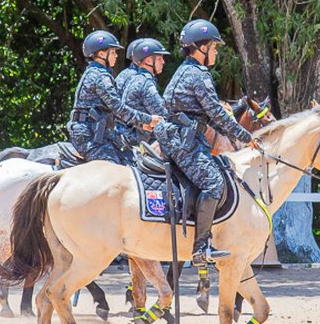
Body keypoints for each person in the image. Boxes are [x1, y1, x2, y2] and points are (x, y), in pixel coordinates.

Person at [159, 19, 260, 263]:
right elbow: (216, 113)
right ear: (201, 48)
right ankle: (200, 247)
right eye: (214, 47)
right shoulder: (198, 75)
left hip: (178, 137)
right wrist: (247, 138)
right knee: (214, 183)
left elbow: (208, 116)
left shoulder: (183, 70)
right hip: (185, 143)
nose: (216, 52)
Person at [68, 30, 160, 164]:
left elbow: (113, 111)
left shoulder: (98, 73)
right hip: (89, 134)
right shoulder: (99, 77)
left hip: (98, 132)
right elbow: (118, 108)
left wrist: (142, 124)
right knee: (114, 171)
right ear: (101, 54)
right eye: (113, 52)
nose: (116, 56)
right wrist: (148, 119)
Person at [121, 38, 170, 146]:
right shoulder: (145, 82)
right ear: (148, 61)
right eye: (159, 58)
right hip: (137, 142)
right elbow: (163, 113)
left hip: (130, 138)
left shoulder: (138, 78)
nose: (163, 62)